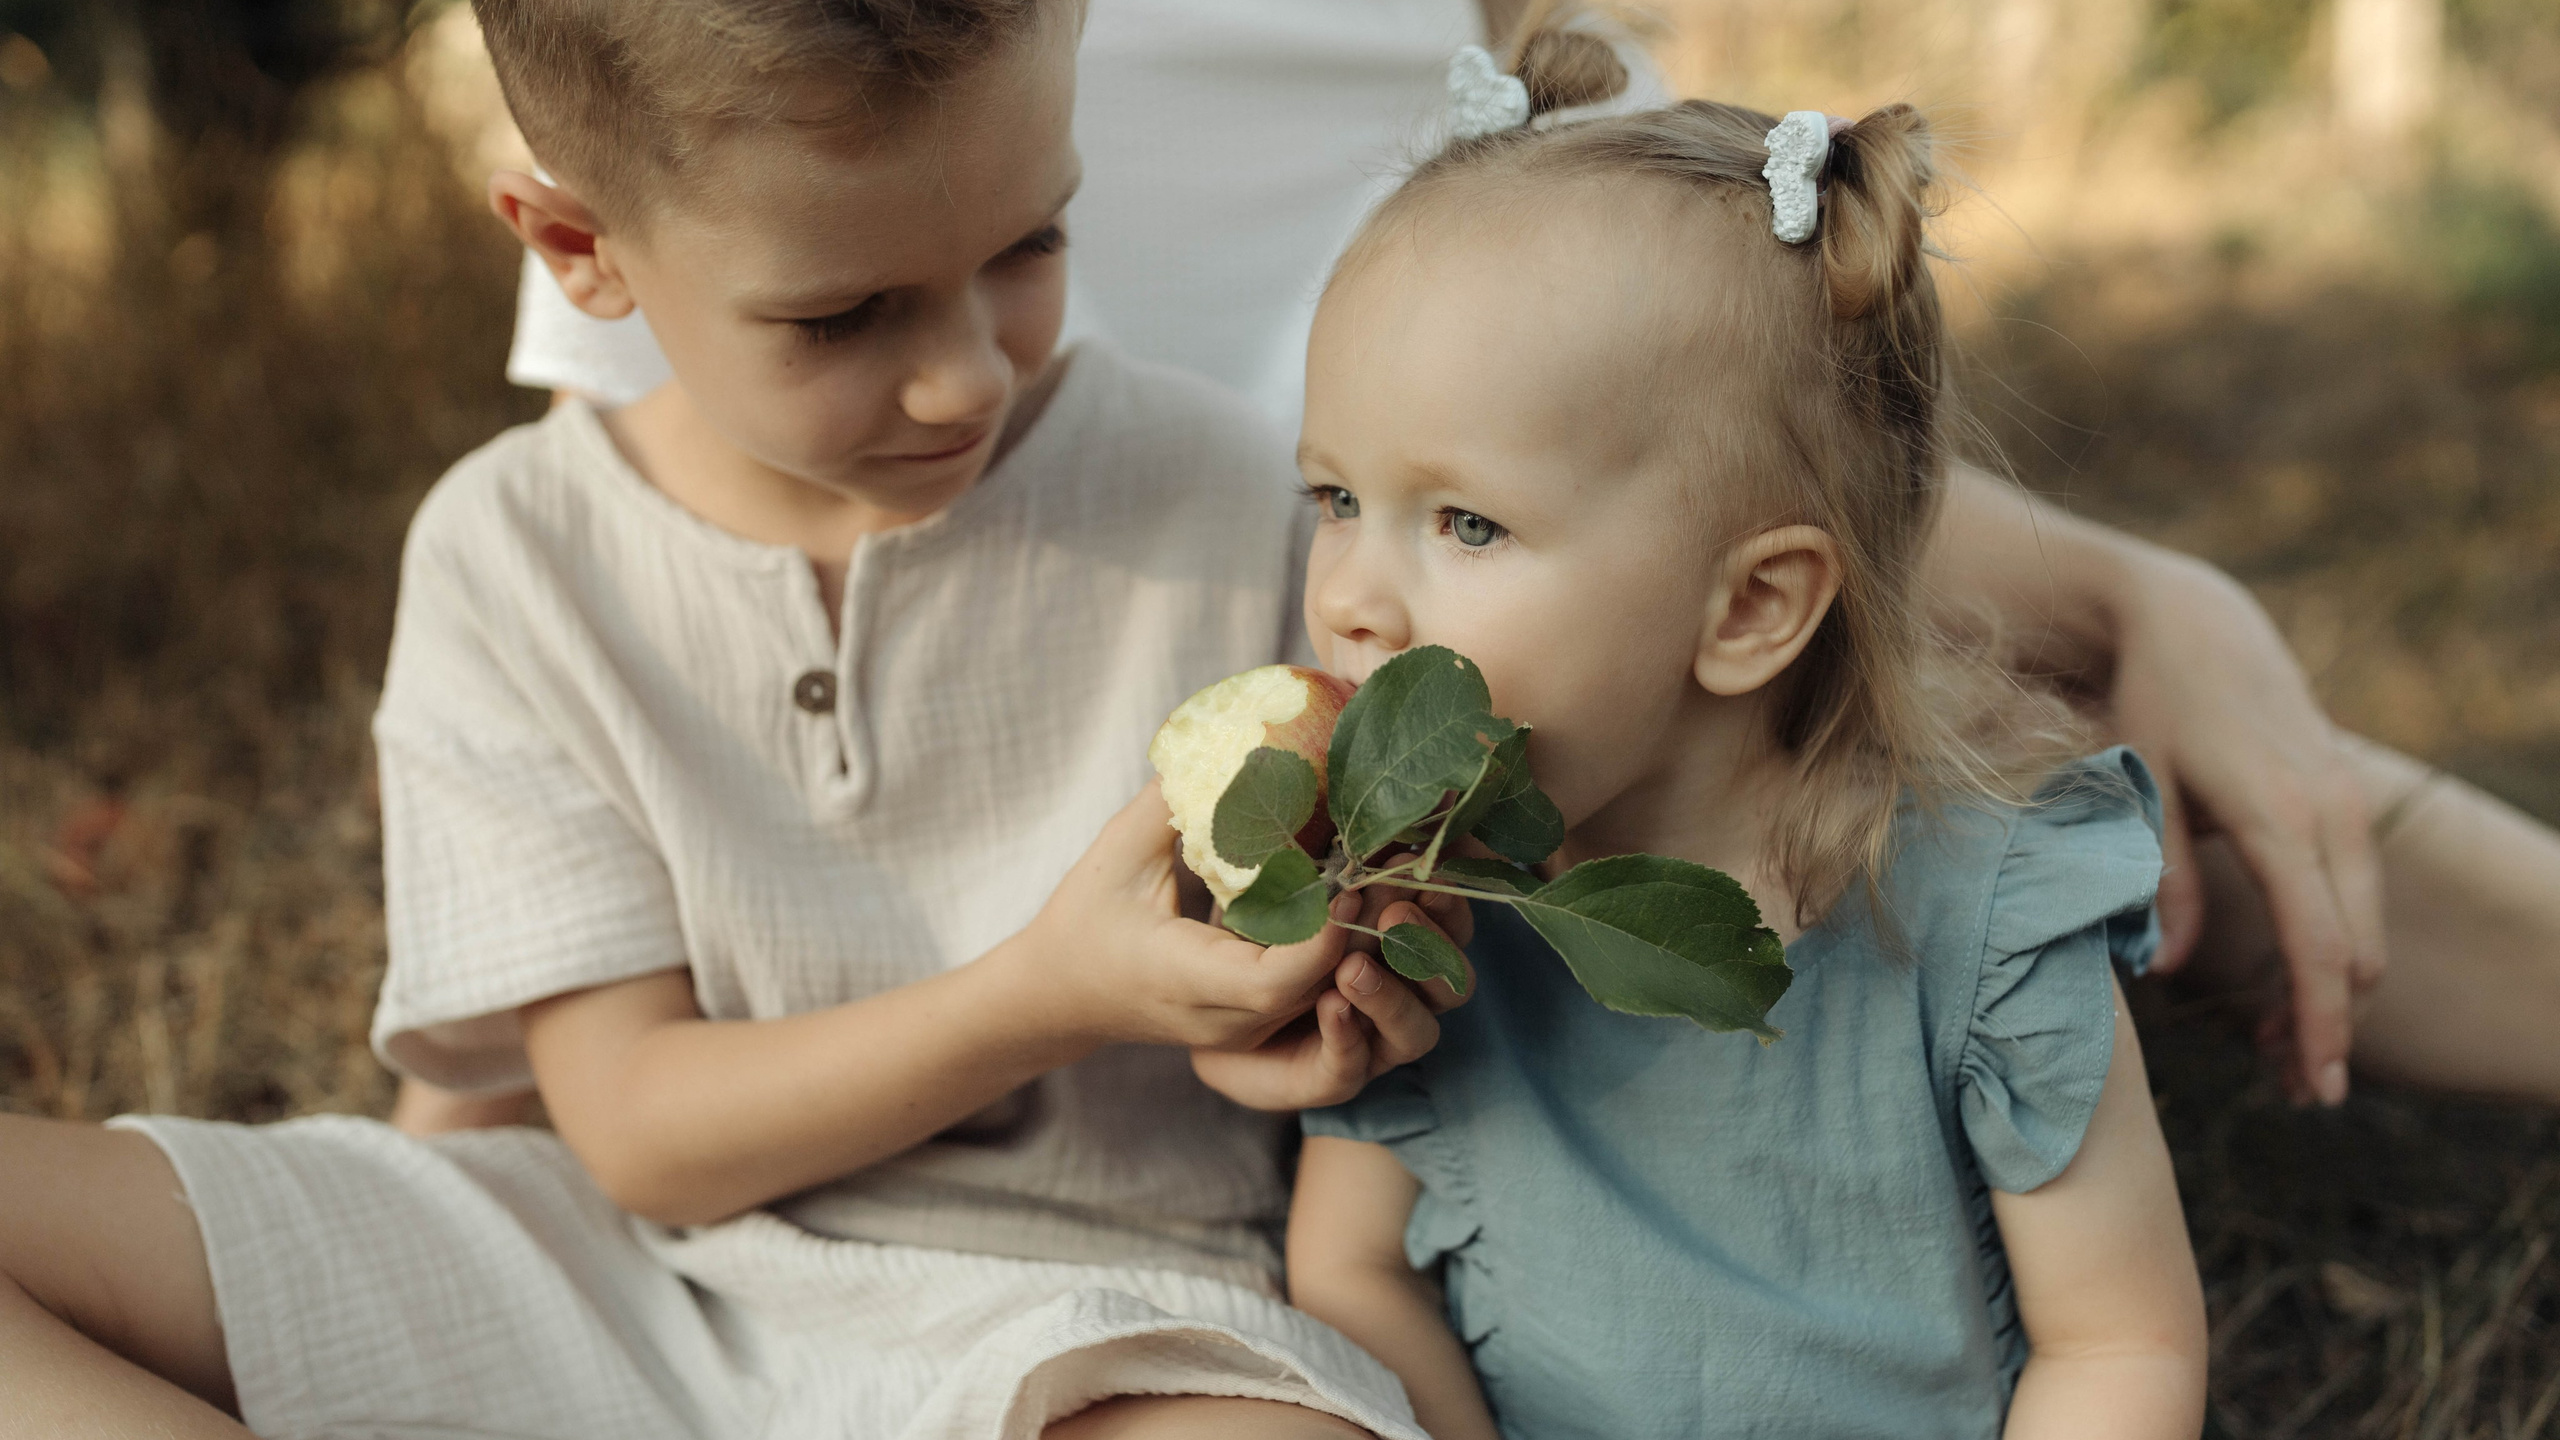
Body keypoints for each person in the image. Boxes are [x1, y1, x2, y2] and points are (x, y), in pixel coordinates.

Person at [468, 0, 2560, 1124]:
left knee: (2029, 763)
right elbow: (697, 621)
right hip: (1213, 737)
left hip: (1553, 647)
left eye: (1037, 239)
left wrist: (2135, 598)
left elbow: (1707, 416)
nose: (955, 353)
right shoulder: (760, 79)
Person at [0, 1, 1471, 1434]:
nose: (966, 369)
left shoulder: (1243, 504)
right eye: (841, 315)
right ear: (579, 247)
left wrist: (1314, 1011)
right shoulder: (518, 556)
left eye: (1032, 241)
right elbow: (637, 1131)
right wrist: (1048, 995)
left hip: (1088, 1316)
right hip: (616, 1286)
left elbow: (1326, 977)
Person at [1280, 52, 2208, 1438]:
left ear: (1752, 607)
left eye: (1466, 524)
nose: (1348, 595)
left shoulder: (1972, 918)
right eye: (1336, 496)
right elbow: (1350, 1269)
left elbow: (2121, 1345)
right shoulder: (1428, 910)